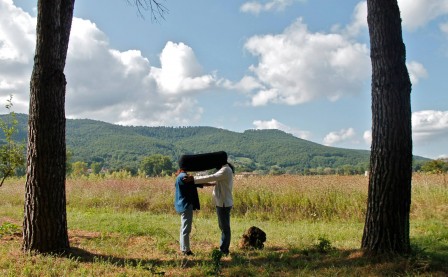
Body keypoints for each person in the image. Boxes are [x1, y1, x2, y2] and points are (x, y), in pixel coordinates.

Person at [184, 161, 235, 256]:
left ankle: (224, 250)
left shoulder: (225, 170)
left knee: (225, 228)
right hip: (223, 202)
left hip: (223, 203)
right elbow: (214, 179)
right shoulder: (225, 169)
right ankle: (223, 248)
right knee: (223, 227)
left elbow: (211, 177)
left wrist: (193, 178)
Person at [174, 168, 214, 256]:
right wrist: (212, 184)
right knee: (186, 229)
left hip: (181, 205)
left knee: (183, 228)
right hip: (186, 205)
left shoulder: (179, 177)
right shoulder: (185, 177)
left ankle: (183, 248)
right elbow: (199, 182)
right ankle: (186, 250)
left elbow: (197, 182)